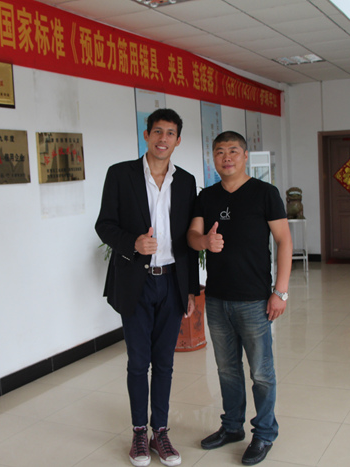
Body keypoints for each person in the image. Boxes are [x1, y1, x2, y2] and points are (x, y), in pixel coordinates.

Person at [95, 108, 199, 467]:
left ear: (178, 140)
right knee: (139, 362)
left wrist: (191, 289)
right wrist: (133, 244)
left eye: (170, 133)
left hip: (171, 281)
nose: (162, 139)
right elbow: (104, 225)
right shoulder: (120, 174)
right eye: (157, 131)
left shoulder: (185, 182)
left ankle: (161, 432)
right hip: (135, 283)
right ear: (146, 135)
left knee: (165, 363)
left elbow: (188, 240)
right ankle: (139, 432)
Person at [187, 131, 292, 466]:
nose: (227, 157)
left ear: (245, 156)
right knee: (227, 370)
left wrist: (280, 292)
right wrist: (205, 242)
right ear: (213, 158)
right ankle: (232, 426)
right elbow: (192, 235)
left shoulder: (265, 193)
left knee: (261, 372)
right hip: (217, 299)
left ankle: (264, 433)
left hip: (254, 299)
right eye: (220, 152)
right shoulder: (207, 196)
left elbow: (284, 241)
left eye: (233, 151)